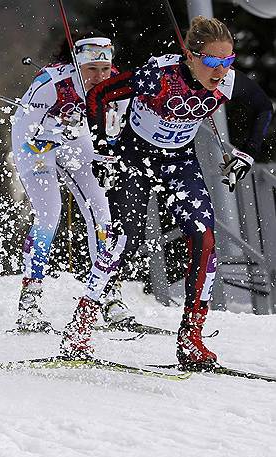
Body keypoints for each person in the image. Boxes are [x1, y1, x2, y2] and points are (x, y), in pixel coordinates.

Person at [83, 16, 273, 368]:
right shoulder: (159, 75)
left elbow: (264, 107)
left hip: (180, 162)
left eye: (227, 62)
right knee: (126, 238)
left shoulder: (226, 82)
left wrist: (247, 153)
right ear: (191, 55)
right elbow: (99, 93)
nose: (220, 71)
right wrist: (100, 147)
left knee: (205, 237)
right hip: (134, 158)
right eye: (213, 62)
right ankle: (82, 326)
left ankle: (191, 337)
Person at [11, 35, 129, 335]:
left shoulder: (116, 83)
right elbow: (24, 130)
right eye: (91, 69)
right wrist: (54, 134)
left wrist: (106, 156)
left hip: (75, 143)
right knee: (50, 214)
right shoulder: (52, 83)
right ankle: (30, 300)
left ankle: (106, 294)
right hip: (37, 146)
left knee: (102, 213)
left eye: (105, 69)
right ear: (77, 64)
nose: (99, 77)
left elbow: (114, 130)